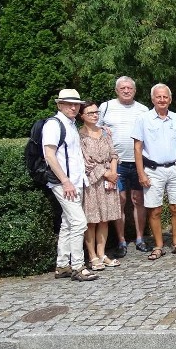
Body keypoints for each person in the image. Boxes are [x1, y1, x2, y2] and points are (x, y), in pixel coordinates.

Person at [132, 83, 176, 261]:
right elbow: (137, 148)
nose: (162, 100)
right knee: (154, 210)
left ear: (170, 99)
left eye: (165, 97)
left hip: (175, 169)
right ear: (152, 99)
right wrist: (141, 173)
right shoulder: (143, 119)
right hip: (153, 170)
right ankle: (158, 246)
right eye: (158, 97)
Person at [43, 89, 97, 281]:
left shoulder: (70, 124)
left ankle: (62, 265)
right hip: (64, 183)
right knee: (79, 222)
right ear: (59, 105)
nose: (73, 107)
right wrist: (65, 181)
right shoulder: (54, 124)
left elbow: (71, 154)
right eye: (68, 104)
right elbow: (49, 155)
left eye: (76, 104)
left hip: (75, 181)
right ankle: (78, 266)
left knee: (68, 223)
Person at [99, 76, 149, 257]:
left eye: (129, 88)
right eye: (123, 88)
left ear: (135, 91)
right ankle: (121, 241)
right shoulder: (105, 108)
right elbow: (93, 130)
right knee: (119, 201)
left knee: (138, 200)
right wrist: (102, 130)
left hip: (138, 162)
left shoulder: (143, 110)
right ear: (116, 90)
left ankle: (140, 238)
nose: (126, 91)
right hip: (115, 164)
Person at [79, 101, 122, 272]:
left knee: (105, 218)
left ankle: (102, 253)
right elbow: (85, 162)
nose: (95, 115)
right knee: (92, 220)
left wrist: (113, 174)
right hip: (92, 181)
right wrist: (105, 174)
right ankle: (92, 256)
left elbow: (113, 154)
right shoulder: (80, 136)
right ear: (82, 116)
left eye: (96, 112)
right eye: (90, 113)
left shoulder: (105, 132)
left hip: (108, 179)